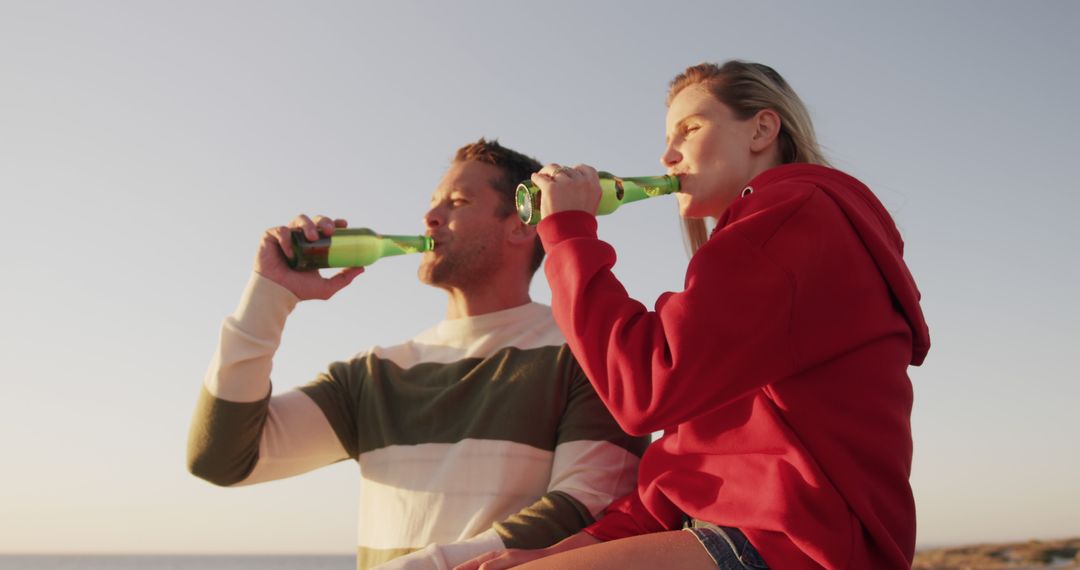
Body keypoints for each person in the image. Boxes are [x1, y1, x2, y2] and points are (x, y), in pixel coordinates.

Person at [457, 62, 930, 570]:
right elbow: (684, 468)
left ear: (762, 129)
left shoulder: (797, 216)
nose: (667, 155)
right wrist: (563, 551)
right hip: (744, 538)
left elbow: (645, 385)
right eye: (667, 137)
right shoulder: (763, 243)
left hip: (798, 545)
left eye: (691, 128)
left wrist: (570, 234)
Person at [186, 138, 648, 570]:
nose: (429, 216)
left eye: (458, 203)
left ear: (522, 225)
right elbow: (221, 458)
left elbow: (589, 507)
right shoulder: (373, 374)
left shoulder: (586, 348)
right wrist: (269, 295)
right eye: (433, 200)